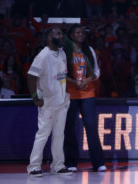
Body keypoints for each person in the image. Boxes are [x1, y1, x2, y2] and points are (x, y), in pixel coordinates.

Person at [26, 27, 73, 178]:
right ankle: (33, 166)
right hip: (47, 101)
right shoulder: (43, 55)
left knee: (59, 135)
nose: (62, 36)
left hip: (61, 100)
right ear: (49, 38)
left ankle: (58, 165)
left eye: (61, 33)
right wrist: (35, 97)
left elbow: (62, 76)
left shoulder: (62, 53)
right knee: (43, 134)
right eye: (58, 33)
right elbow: (31, 76)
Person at [63, 24, 106, 173]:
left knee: (91, 126)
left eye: (82, 32)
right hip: (70, 92)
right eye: (77, 32)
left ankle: (98, 162)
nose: (81, 34)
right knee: (69, 127)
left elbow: (97, 72)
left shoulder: (89, 50)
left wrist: (87, 81)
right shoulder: (65, 51)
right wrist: (74, 82)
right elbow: (60, 73)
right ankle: (71, 162)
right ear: (71, 36)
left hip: (87, 92)